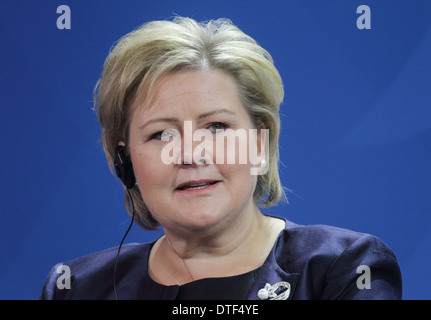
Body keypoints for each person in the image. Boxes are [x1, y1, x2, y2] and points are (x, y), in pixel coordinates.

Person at [38, 17, 402, 300]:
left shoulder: (342, 268)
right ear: (125, 161)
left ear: (260, 143)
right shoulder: (75, 287)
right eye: (161, 134)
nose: (192, 153)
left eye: (216, 126)